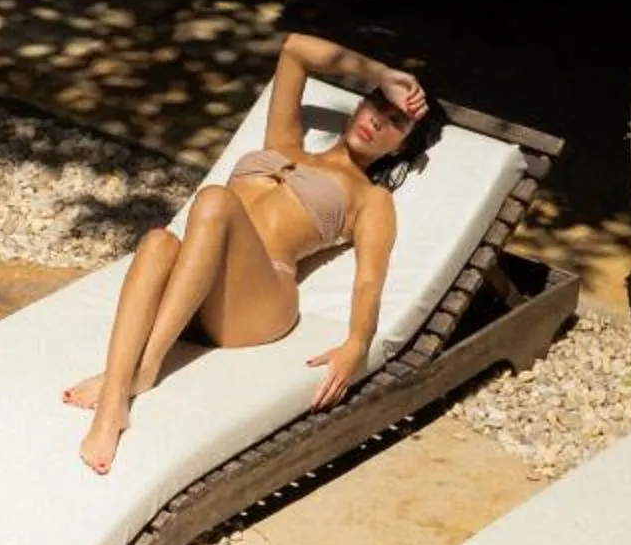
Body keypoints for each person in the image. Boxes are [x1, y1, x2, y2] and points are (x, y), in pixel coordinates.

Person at [66, 32, 443, 473]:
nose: (379, 120)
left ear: (400, 147)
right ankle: (116, 397)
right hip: (200, 286)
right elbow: (294, 51)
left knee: (215, 201)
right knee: (158, 241)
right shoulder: (284, 142)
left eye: (396, 123)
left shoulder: (371, 199)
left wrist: (356, 344)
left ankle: (142, 370)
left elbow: (368, 279)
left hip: (260, 302)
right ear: (361, 104)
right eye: (378, 104)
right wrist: (383, 74)